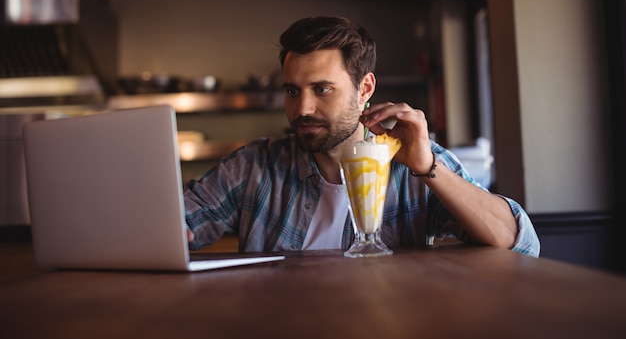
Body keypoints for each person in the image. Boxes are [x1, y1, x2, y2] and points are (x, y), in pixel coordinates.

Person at [184, 16, 540, 257]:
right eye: (292, 91)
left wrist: (428, 167)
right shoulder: (254, 167)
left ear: (364, 88)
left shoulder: (411, 163)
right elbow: (183, 221)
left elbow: (520, 244)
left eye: (322, 89)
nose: (302, 108)